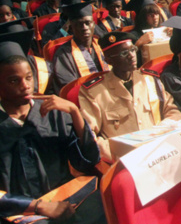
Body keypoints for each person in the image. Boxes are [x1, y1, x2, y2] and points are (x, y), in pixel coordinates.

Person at [0, 41, 106, 224]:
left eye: (28, 77)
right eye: (13, 80)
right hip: (15, 211)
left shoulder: (52, 112)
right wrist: (38, 206)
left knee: (104, 205)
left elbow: (86, 161)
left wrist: (74, 113)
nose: (25, 86)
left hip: (64, 198)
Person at [79, 32, 181, 161]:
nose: (132, 56)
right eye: (124, 53)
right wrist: (122, 154)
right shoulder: (94, 92)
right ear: (108, 59)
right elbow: (90, 137)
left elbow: (172, 111)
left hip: (161, 151)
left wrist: (161, 132)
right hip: (127, 161)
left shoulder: (150, 79)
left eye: (133, 50)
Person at [52, 1, 109, 94]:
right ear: (71, 28)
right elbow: (69, 87)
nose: (84, 27)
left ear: (94, 25)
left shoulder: (102, 45)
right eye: (79, 24)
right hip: (84, 98)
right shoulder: (63, 55)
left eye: (87, 23)